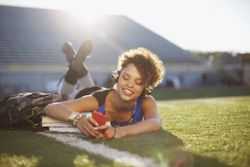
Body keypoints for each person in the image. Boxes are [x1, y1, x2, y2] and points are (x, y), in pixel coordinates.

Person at [44, 40, 166, 140]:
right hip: (81, 95)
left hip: (95, 89)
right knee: (64, 93)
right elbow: (51, 107)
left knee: (84, 80)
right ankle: (73, 62)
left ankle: (74, 60)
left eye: (138, 82)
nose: (129, 84)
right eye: (125, 77)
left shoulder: (146, 101)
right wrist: (78, 119)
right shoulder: (97, 100)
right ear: (118, 77)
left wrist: (117, 132)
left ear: (146, 86)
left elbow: (155, 123)